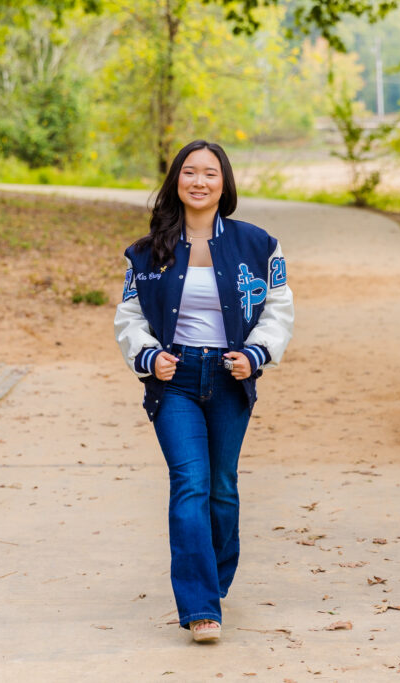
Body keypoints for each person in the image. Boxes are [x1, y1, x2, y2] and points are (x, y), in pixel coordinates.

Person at [114, 140, 294, 643]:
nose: (199, 181)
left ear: (224, 183)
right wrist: (149, 356)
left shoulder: (258, 245)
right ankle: (200, 607)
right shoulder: (146, 253)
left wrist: (256, 354)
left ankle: (214, 578)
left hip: (230, 377)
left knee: (221, 487)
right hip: (175, 383)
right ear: (176, 181)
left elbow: (279, 309)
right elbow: (129, 318)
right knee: (189, 483)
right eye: (189, 172)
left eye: (210, 173)